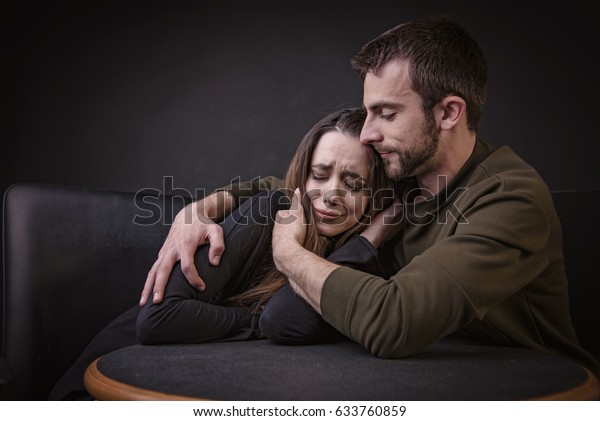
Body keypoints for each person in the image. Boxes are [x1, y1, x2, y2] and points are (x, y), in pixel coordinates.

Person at [140, 15, 600, 377]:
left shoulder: (509, 200)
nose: (368, 132)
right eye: (368, 112)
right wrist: (196, 210)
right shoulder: (403, 170)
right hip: (417, 376)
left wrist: (286, 250)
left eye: (386, 112)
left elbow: (394, 322)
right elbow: (282, 188)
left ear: (448, 112)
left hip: (527, 388)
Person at [47, 107, 395, 399]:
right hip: (106, 384)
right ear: (302, 178)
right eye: (319, 175)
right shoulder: (271, 210)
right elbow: (158, 320)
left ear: (375, 197)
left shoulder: (353, 262)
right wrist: (254, 322)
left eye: (353, 184)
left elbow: (284, 319)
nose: (331, 193)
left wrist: (369, 240)